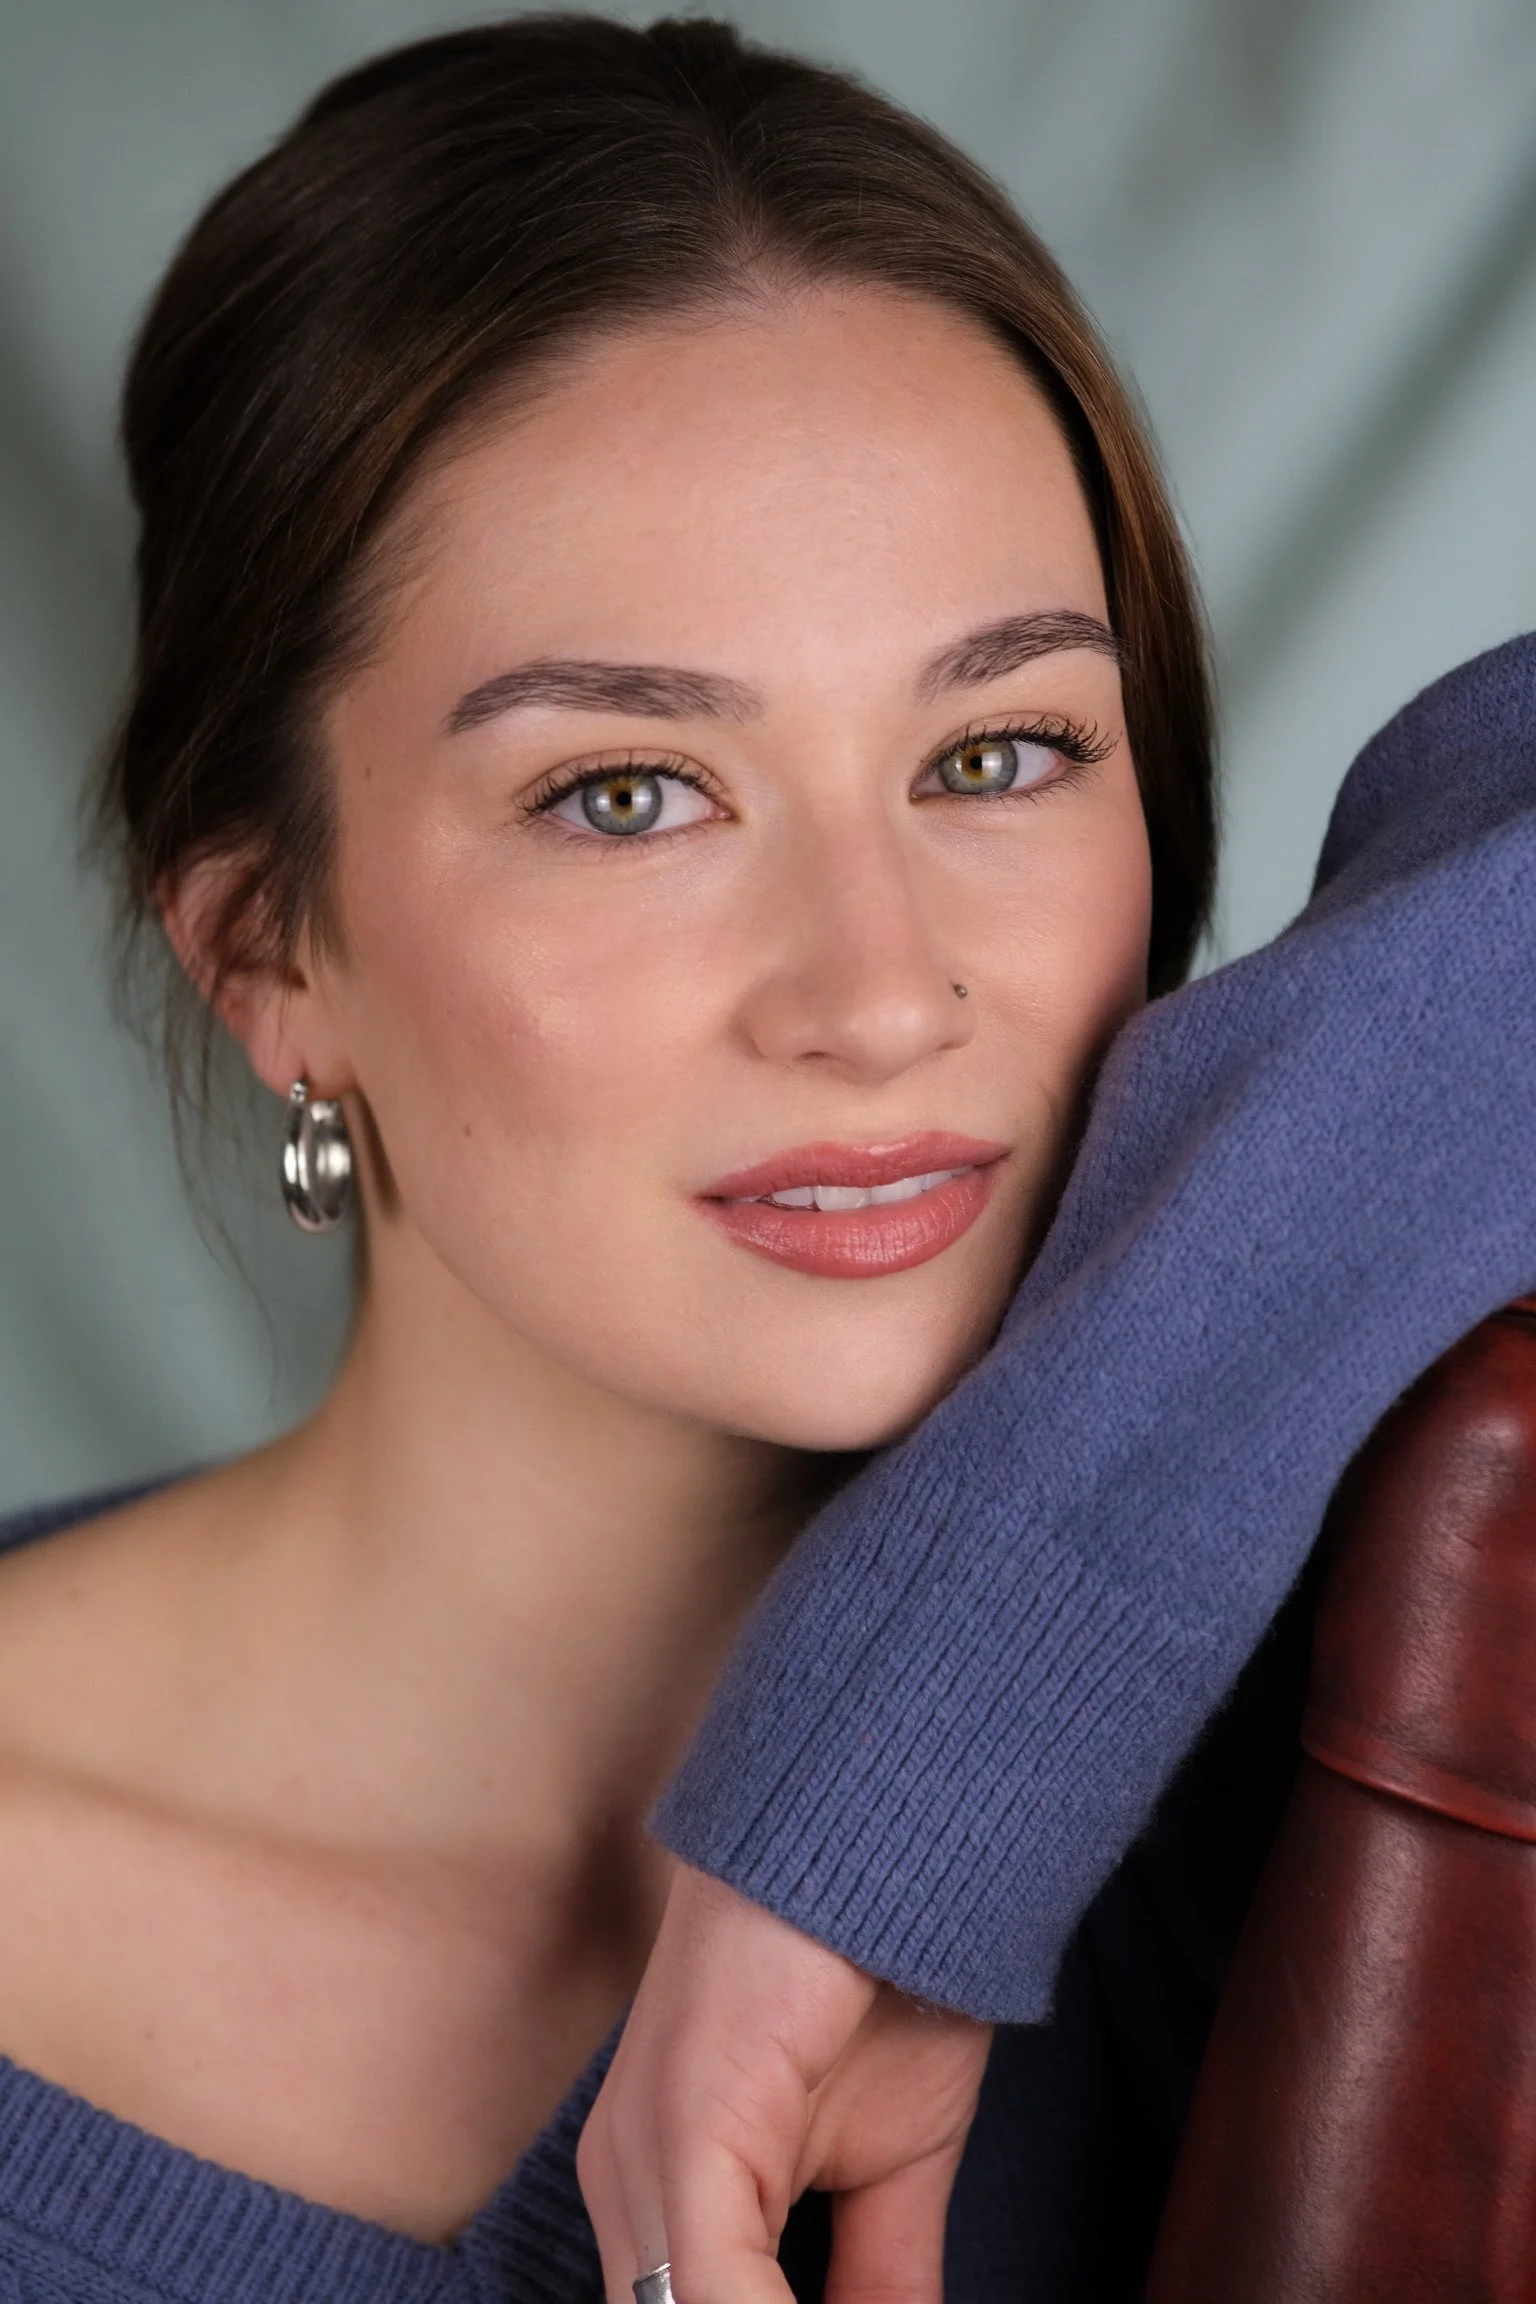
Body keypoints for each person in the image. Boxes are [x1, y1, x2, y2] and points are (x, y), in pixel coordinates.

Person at [0, 15, 1223, 2303]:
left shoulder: (1357, 1766)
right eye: (627, 793)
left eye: (998, 753)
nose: (877, 990)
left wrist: (907, 1798)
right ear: (271, 953)